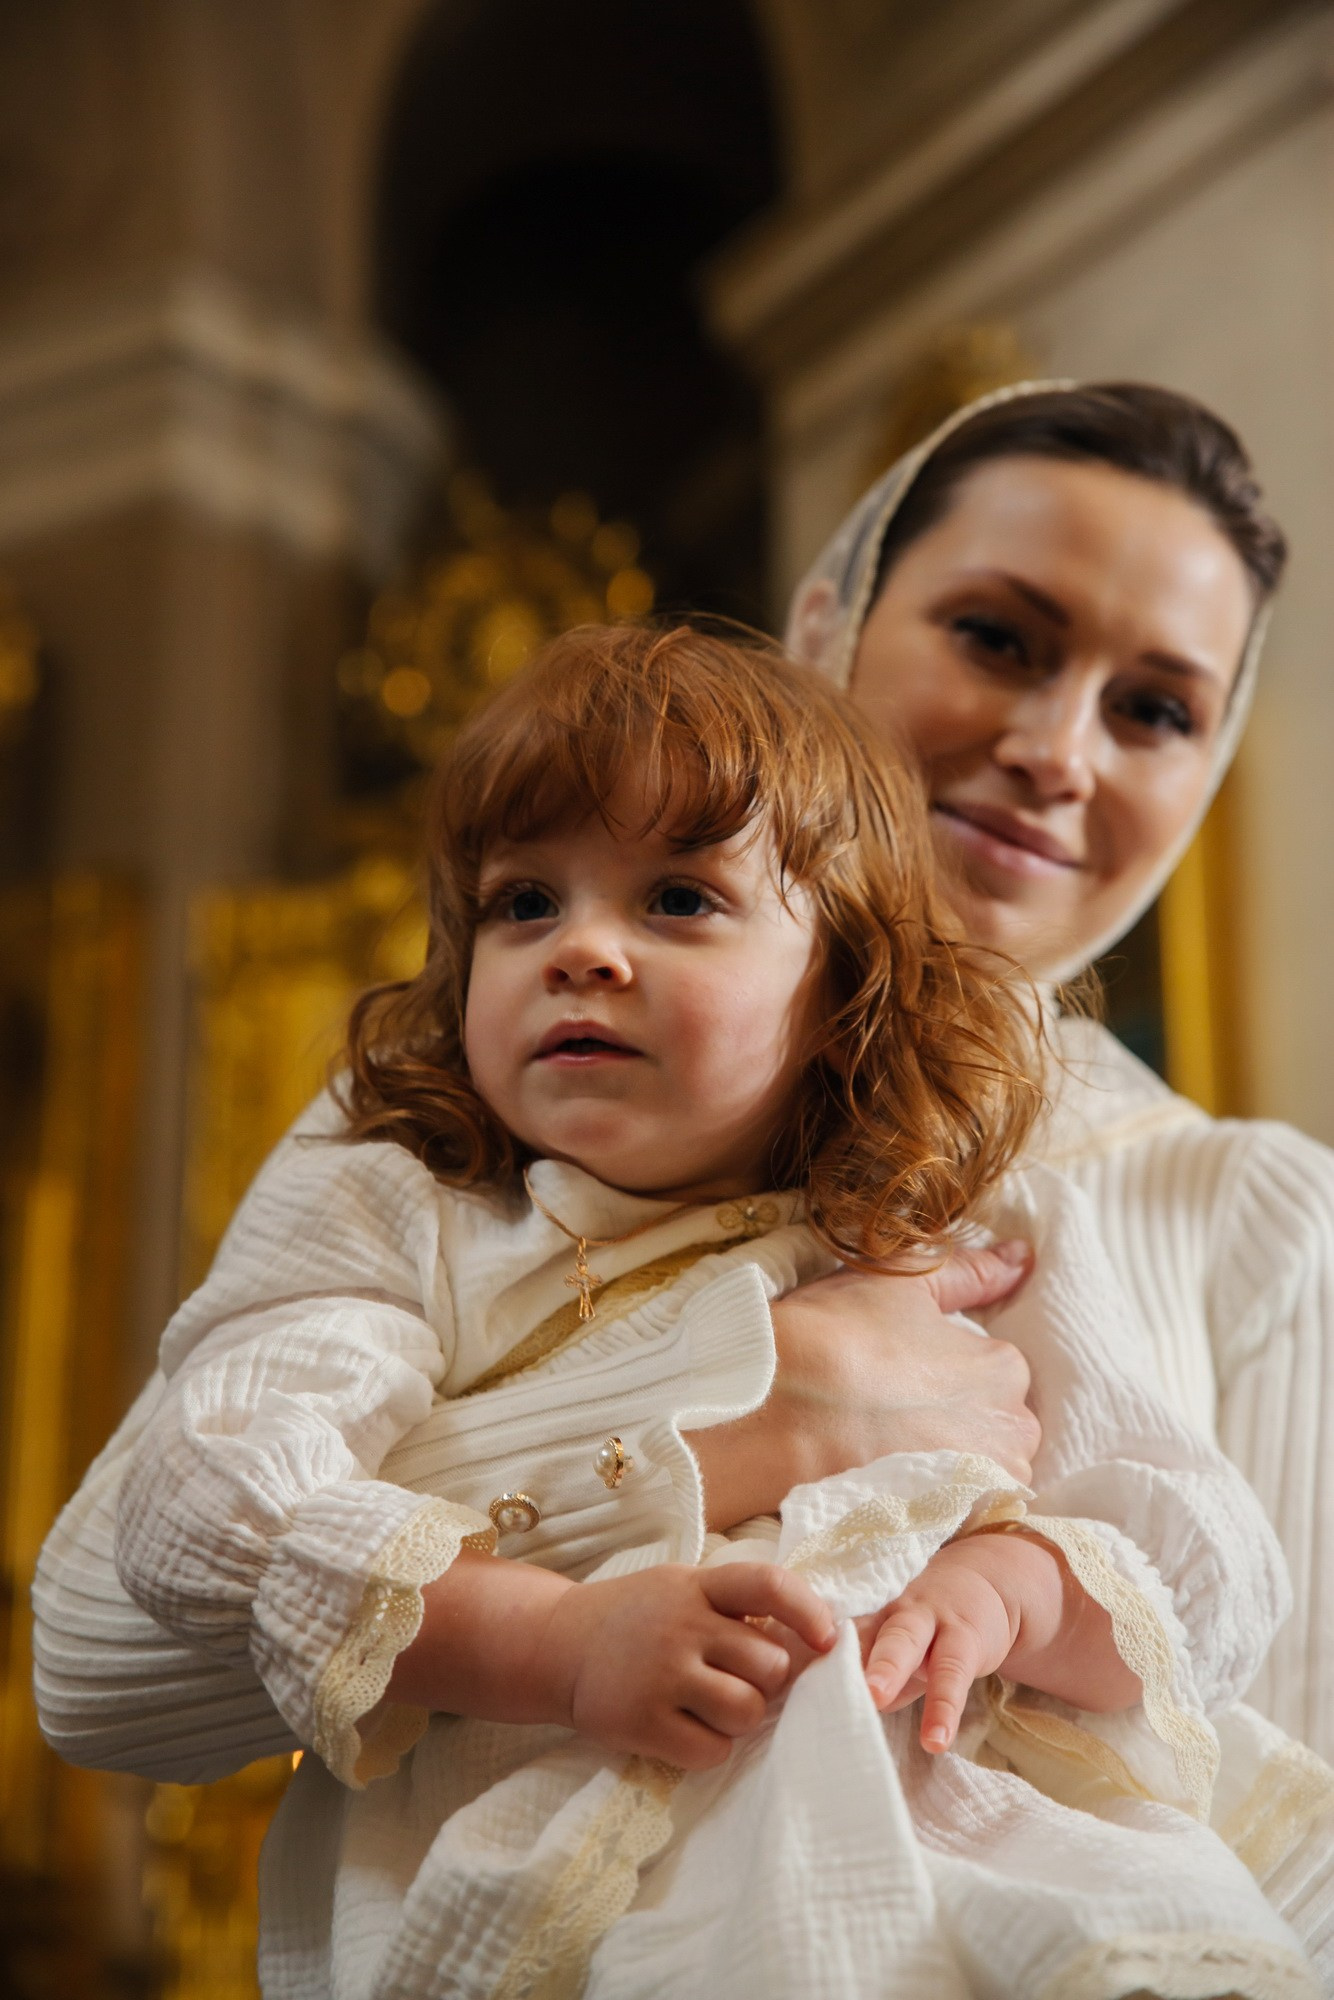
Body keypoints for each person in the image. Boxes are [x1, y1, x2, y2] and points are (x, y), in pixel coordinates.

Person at [31, 382, 1334, 1917]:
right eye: (998, 637)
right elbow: (104, 1667)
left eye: (1155, 708)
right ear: (831, 622)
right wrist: (730, 1426)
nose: (1058, 749)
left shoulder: (1243, 1209)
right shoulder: (469, 1111)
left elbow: (1285, 1809)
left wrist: (1016, 1589)